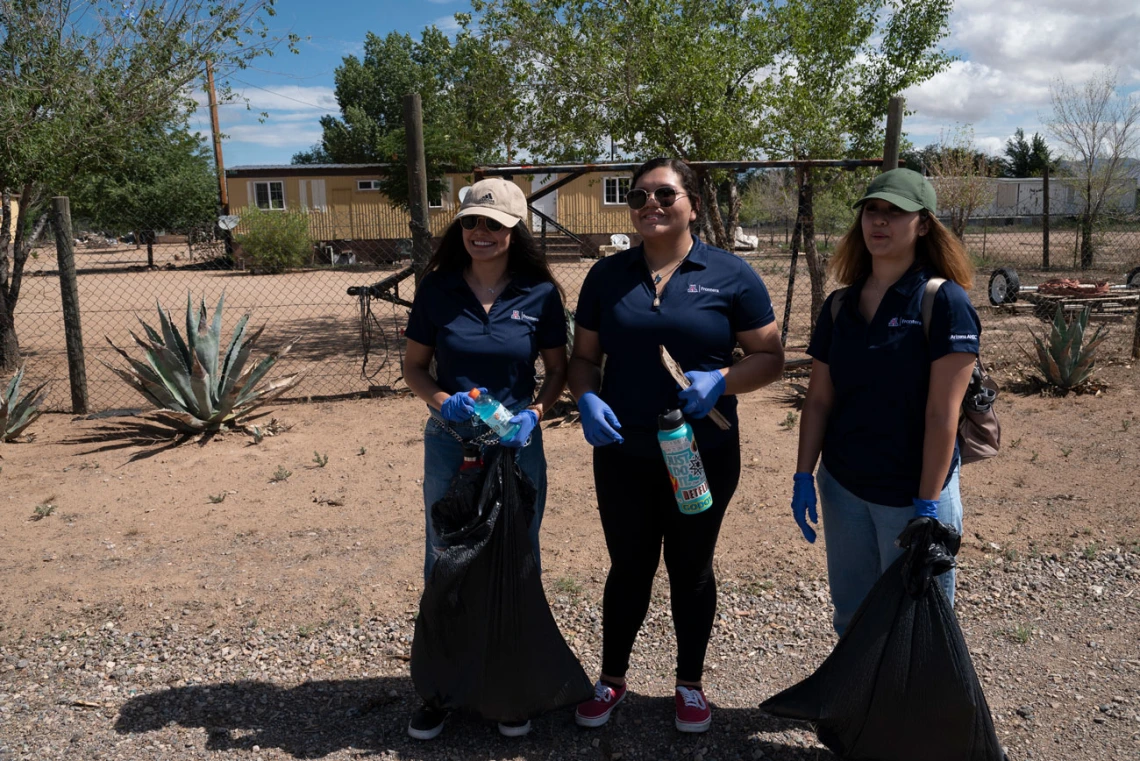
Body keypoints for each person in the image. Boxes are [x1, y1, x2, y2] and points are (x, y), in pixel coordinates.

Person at [568, 158, 785, 733]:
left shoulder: (732, 274)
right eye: (638, 197)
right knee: (629, 567)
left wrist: (724, 380)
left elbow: (771, 358)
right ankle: (611, 679)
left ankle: (689, 685)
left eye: (664, 194)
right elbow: (583, 360)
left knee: (691, 568)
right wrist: (586, 398)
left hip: (703, 452)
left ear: (691, 202)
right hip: (623, 453)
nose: (650, 206)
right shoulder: (606, 277)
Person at [402, 177, 569, 740]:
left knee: (516, 559)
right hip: (453, 447)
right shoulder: (438, 290)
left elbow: (558, 370)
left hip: (516, 448)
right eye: (472, 222)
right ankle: (439, 690)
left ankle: (509, 687)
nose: (481, 233)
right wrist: (441, 402)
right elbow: (415, 367)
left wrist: (537, 413)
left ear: (515, 231)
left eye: (494, 225)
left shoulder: (540, 295)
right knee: (445, 559)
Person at [790, 168, 980, 637]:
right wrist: (803, 476)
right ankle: (854, 711)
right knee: (852, 618)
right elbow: (817, 401)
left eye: (895, 213)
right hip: (845, 489)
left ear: (923, 224)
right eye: (872, 210)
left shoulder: (943, 301)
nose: (879, 222)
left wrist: (929, 505)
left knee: (918, 625)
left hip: (911, 496)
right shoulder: (840, 305)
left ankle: (914, 713)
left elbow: (942, 415)